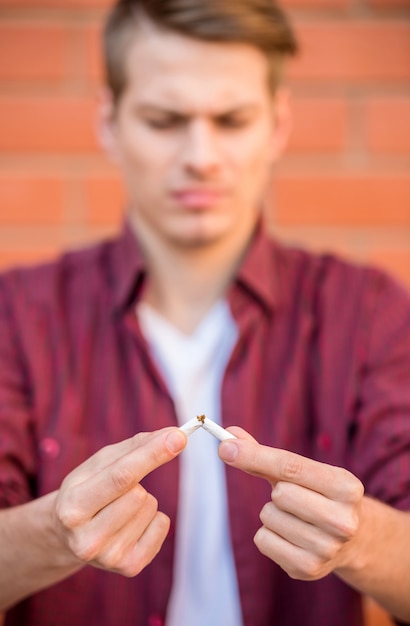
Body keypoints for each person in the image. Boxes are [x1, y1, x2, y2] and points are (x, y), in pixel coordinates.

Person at [0, 0, 409, 624]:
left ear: (277, 125)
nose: (200, 155)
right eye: (165, 120)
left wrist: (365, 540)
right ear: (109, 123)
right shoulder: (17, 315)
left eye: (232, 119)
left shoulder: (369, 311)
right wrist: (51, 534)